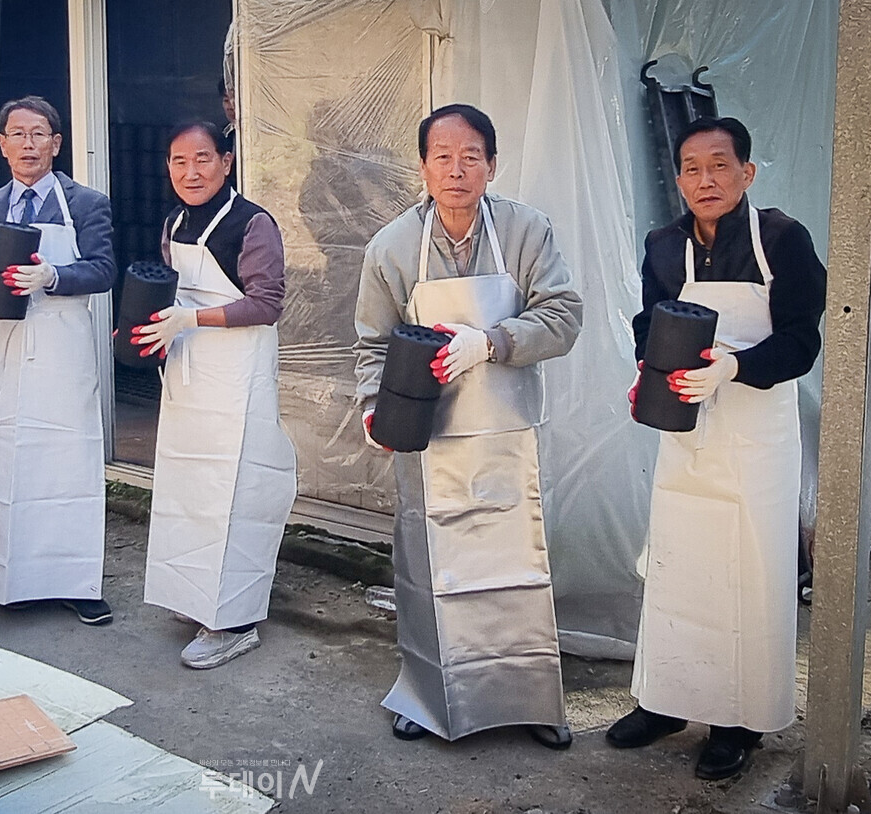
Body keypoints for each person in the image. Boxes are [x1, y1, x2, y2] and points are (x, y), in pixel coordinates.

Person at [354, 104, 582, 748]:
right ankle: (426, 695)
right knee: (429, 570)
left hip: (506, 433)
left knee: (515, 568)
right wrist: (373, 407)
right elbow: (371, 341)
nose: (456, 171)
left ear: (491, 164)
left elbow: (564, 315)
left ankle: (530, 700)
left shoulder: (525, 231)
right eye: (442, 157)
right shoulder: (392, 246)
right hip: (425, 436)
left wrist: (492, 341)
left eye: (470, 157)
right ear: (423, 166)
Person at [608, 116, 826, 780]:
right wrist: (649, 380)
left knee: (747, 577)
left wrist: (734, 368)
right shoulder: (662, 245)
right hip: (690, 433)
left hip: (756, 434)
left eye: (719, 166)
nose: (705, 180)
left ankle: (738, 720)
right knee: (679, 568)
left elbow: (801, 338)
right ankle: (668, 701)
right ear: (677, 179)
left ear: (747, 173)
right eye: (692, 169)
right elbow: (654, 325)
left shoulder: (782, 240)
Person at [137, 121, 296, 668]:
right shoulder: (175, 222)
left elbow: (267, 303)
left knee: (236, 490)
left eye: (202, 159)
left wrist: (193, 317)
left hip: (239, 377)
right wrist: (146, 327)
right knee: (191, 487)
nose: (190, 172)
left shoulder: (253, 225)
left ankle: (233, 620)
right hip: (189, 373)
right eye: (178, 162)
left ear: (226, 162)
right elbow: (165, 289)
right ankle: (194, 597)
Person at [0, 96, 117, 624]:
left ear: (56, 143)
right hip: (7, 351)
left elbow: (104, 270)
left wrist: (54, 277)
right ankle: (12, 584)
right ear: (1, 144)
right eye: (17, 134)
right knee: (12, 467)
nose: (28, 144)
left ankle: (78, 583)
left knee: (71, 468)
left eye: (39, 133)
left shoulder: (86, 203)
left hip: (65, 357)